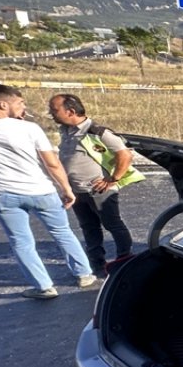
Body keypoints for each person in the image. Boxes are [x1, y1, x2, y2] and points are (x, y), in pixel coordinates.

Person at [0, 84, 95, 298]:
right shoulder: (30, 128)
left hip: (3, 194)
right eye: (20, 103)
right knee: (62, 232)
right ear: (3, 104)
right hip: (41, 191)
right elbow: (52, 163)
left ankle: (43, 287)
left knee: (21, 241)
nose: (24, 107)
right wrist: (66, 189)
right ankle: (84, 274)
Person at [48, 93, 143, 276]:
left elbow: (125, 155)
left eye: (54, 110)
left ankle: (125, 259)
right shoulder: (66, 131)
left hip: (98, 190)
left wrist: (113, 179)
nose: (51, 114)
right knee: (89, 228)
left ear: (71, 111)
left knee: (113, 224)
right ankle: (97, 264)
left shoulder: (96, 131)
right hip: (77, 191)